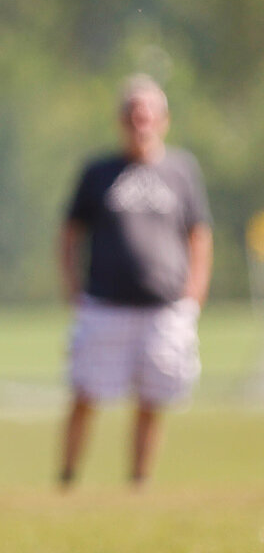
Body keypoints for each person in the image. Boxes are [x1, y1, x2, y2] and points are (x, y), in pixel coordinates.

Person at [58, 74, 212, 487]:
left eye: (148, 115)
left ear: (163, 119)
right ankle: (67, 477)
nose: (140, 122)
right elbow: (70, 233)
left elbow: (199, 234)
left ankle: (139, 481)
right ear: (121, 121)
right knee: (86, 391)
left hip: (164, 306)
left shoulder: (181, 170)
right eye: (132, 115)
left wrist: (195, 293)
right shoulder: (99, 172)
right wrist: (73, 288)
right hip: (105, 304)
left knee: (153, 398)